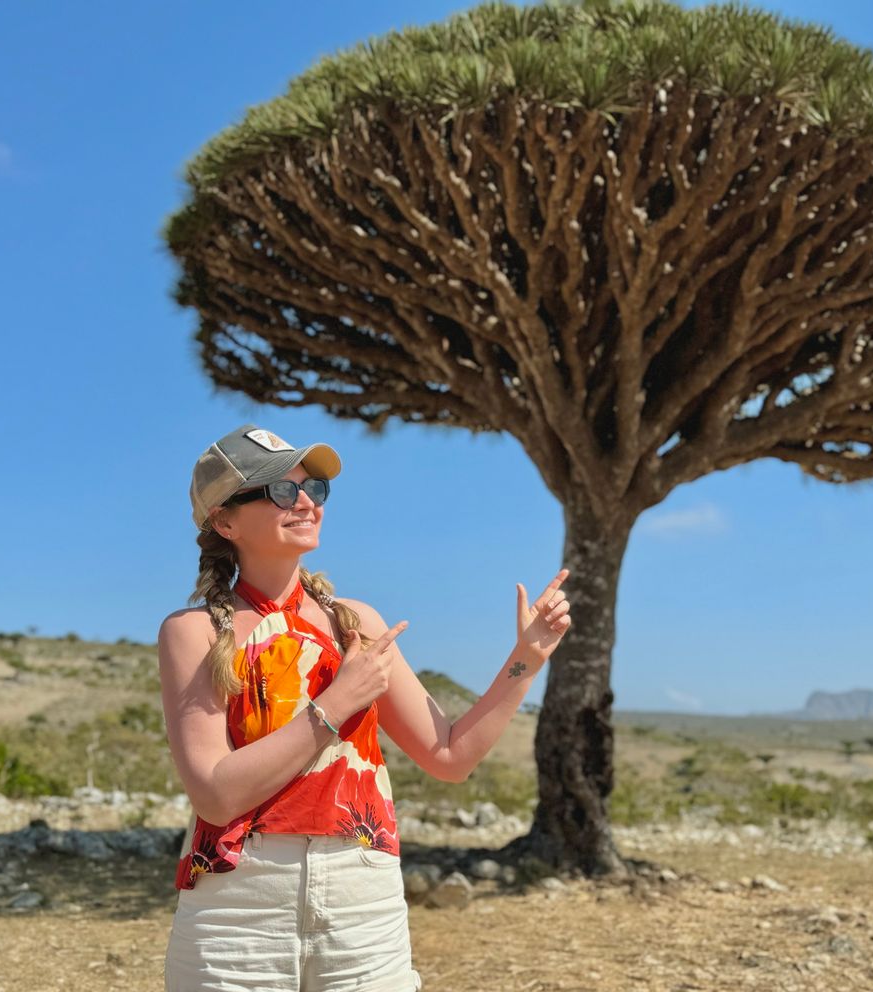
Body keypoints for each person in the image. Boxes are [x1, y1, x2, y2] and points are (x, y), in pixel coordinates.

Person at [159, 423, 571, 991]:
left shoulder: (359, 624)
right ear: (224, 521)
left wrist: (527, 657)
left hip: (362, 900)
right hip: (237, 907)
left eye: (314, 488)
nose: (306, 502)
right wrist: (338, 702)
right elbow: (214, 793)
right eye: (280, 490)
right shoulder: (193, 632)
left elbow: (449, 756)